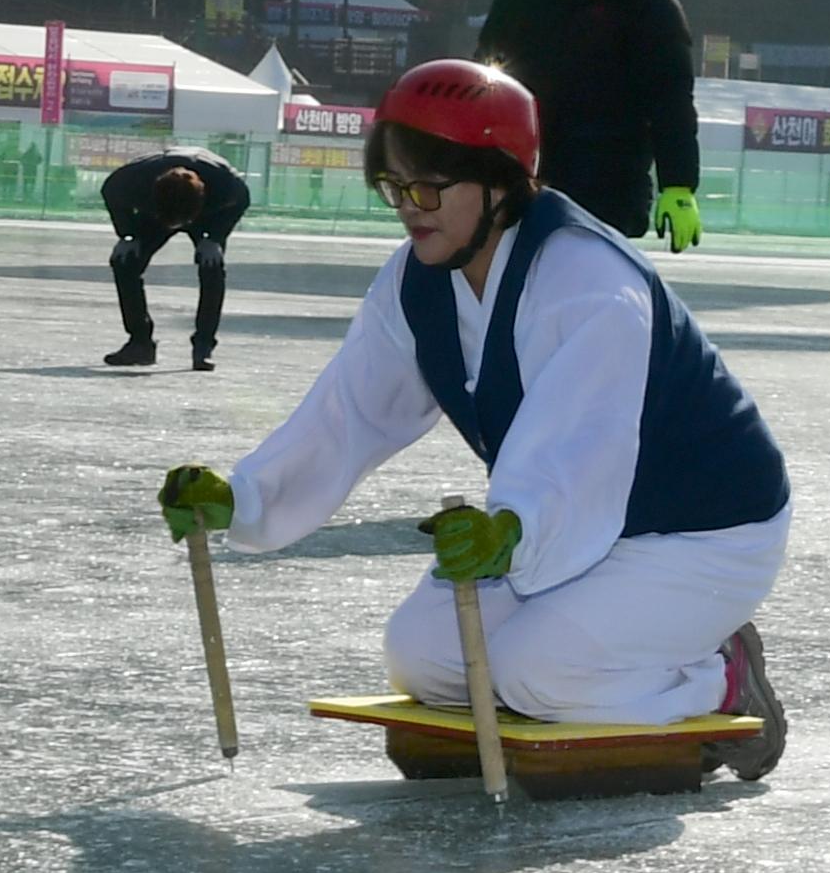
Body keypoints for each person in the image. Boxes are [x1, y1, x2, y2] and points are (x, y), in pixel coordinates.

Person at [155, 60, 789, 776]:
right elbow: (351, 409)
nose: (408, 207)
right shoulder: (416, 278)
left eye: (427, 185)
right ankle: (623, 665)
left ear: (499, 179)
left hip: (699, 533)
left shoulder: (588, 281)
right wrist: (243, 498)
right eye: (393, 187)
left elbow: (580, 443)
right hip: (563, 531)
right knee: (423, 660)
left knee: (534, 677)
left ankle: (719, 674)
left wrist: (513, 530)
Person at [475, 0, 702, 247]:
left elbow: (670, 98)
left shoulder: (642, 0)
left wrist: (678, 184)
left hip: (607, 192)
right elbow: (483, 82)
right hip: (521, 187)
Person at [102, 145, 250, 371]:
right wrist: (128, 235)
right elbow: (110, 192)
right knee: (125, 262)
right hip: (157, 212)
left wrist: (215, 239)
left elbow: (242, 201)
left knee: (212, 265)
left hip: (207, 215)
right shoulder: (133, 181)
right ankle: (140, 343)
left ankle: (203, 346)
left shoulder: (225, 185)